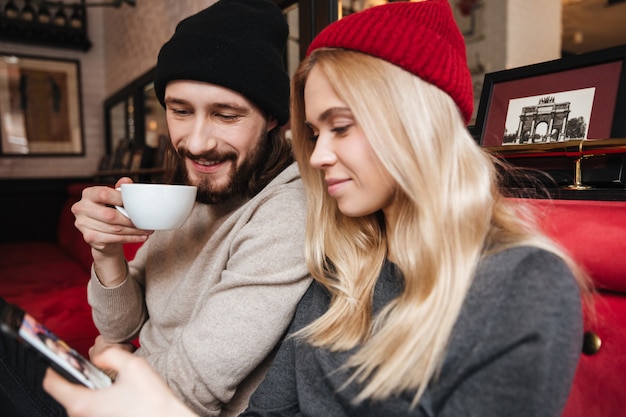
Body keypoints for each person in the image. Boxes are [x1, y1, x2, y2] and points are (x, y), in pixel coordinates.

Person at [43, 1, 591, 416]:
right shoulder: (347, 257)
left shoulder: (524, 285)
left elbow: (192, 387)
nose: (320, 156)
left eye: (342, 127)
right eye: (314, 131)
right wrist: (108, 254)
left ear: (417, 124)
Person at [0, 1, 311, 417]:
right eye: (180, 111)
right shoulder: (195, 190)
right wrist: (105, 250)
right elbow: (120, 327)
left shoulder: (287, 211)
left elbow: (183, 393)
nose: (197, 142)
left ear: (273, 118)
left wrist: (113, 368)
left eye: (226, 115)